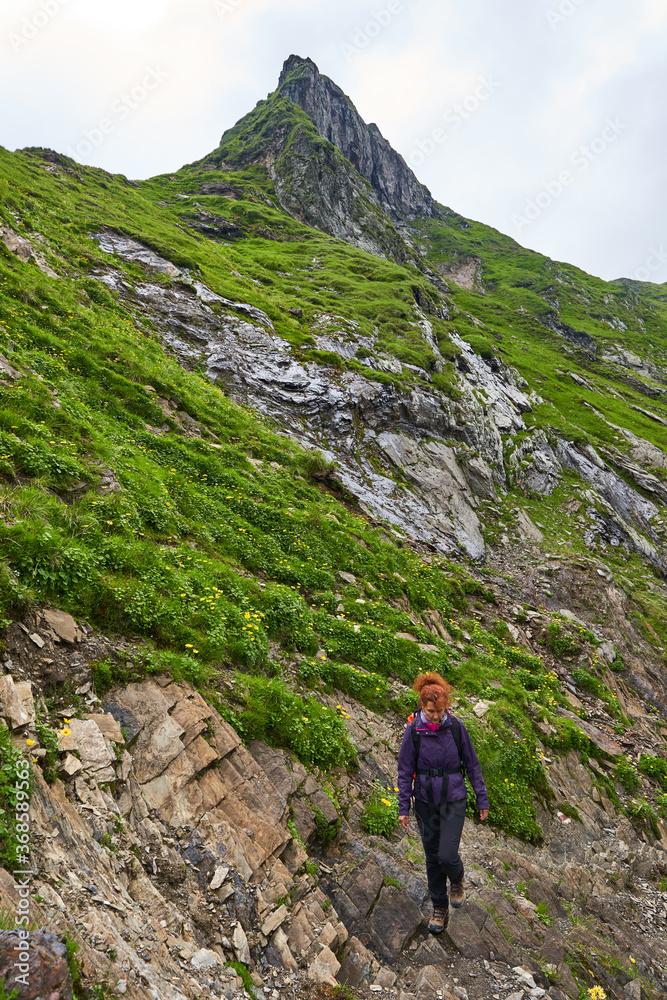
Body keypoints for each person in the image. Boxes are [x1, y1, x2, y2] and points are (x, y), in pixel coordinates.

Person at [397, 672, 489, 934]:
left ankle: (457, 879)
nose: (435, 716)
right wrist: (404, 806)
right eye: (430, 711)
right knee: (431, 857)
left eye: (439, 711)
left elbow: (472, 765)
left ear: (446, 707)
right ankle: (439, 907)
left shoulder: (457, 727)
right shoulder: (414, 730)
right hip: (425, 802)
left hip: (454, 800)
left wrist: (482, 799)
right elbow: (404, 771)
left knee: (446, 855)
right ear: (422, 706)